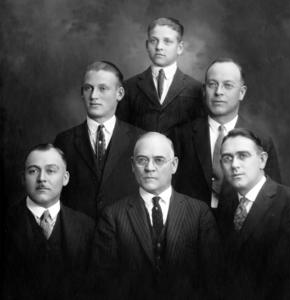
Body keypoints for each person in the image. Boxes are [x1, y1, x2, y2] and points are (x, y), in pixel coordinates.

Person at [90, 132, 223, 300]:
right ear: (132, 165)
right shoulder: (112, 216)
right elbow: (103, 283)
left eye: (159, 160)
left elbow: (213, 280)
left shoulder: (199, 213)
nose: (149, 168)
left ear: (174, 165)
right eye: (142, 160)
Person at [171, 57, 281, 210]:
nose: (218, 92)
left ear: (241, 92)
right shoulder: (180, 135)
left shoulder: (261, 139)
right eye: (212, 85)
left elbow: (273, 197)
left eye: (228, 85)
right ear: (204, 91)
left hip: (240, 228)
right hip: (191, 225)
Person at [2, 144, 95, 300]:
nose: (42, 178)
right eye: (33, 171)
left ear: (65, 178)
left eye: (51, 171)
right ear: (23, 178)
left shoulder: (87, 227)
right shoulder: (6, 223)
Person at [54, 61, 143, 220]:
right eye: (88, 88)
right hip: (79, 237)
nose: (94, 96)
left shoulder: (140, 140)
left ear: (120, 93)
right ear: (82, 93)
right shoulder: (64, 141)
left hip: (125, 235)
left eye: (103, 88)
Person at [218, 128, 290, 300]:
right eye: (227, 158)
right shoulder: (226, 205)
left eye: (243, 156)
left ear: (262, 160)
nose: (234, 165)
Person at [116, 17, 204, 135]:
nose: (159, 47)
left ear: (180, 48)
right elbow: (121, 131)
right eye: (153, 40)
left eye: (167, 41)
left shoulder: (196, 89)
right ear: (147, 45)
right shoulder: (129, 87)